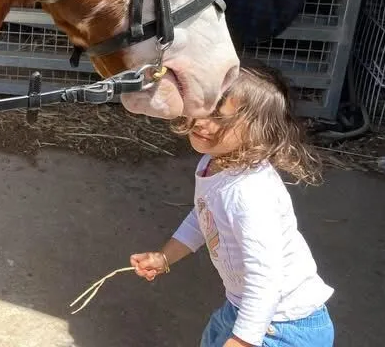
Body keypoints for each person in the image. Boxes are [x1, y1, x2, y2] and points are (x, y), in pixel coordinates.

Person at [129, 61, 334, 347]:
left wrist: (244, 340)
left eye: (221, 119)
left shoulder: (249, 194)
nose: (203, 122)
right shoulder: (213, 164)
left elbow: (266, 276)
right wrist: (165, 258)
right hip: (244, 310)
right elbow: (204, 215)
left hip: (283, 325)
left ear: (258, 132)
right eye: (204, 109)